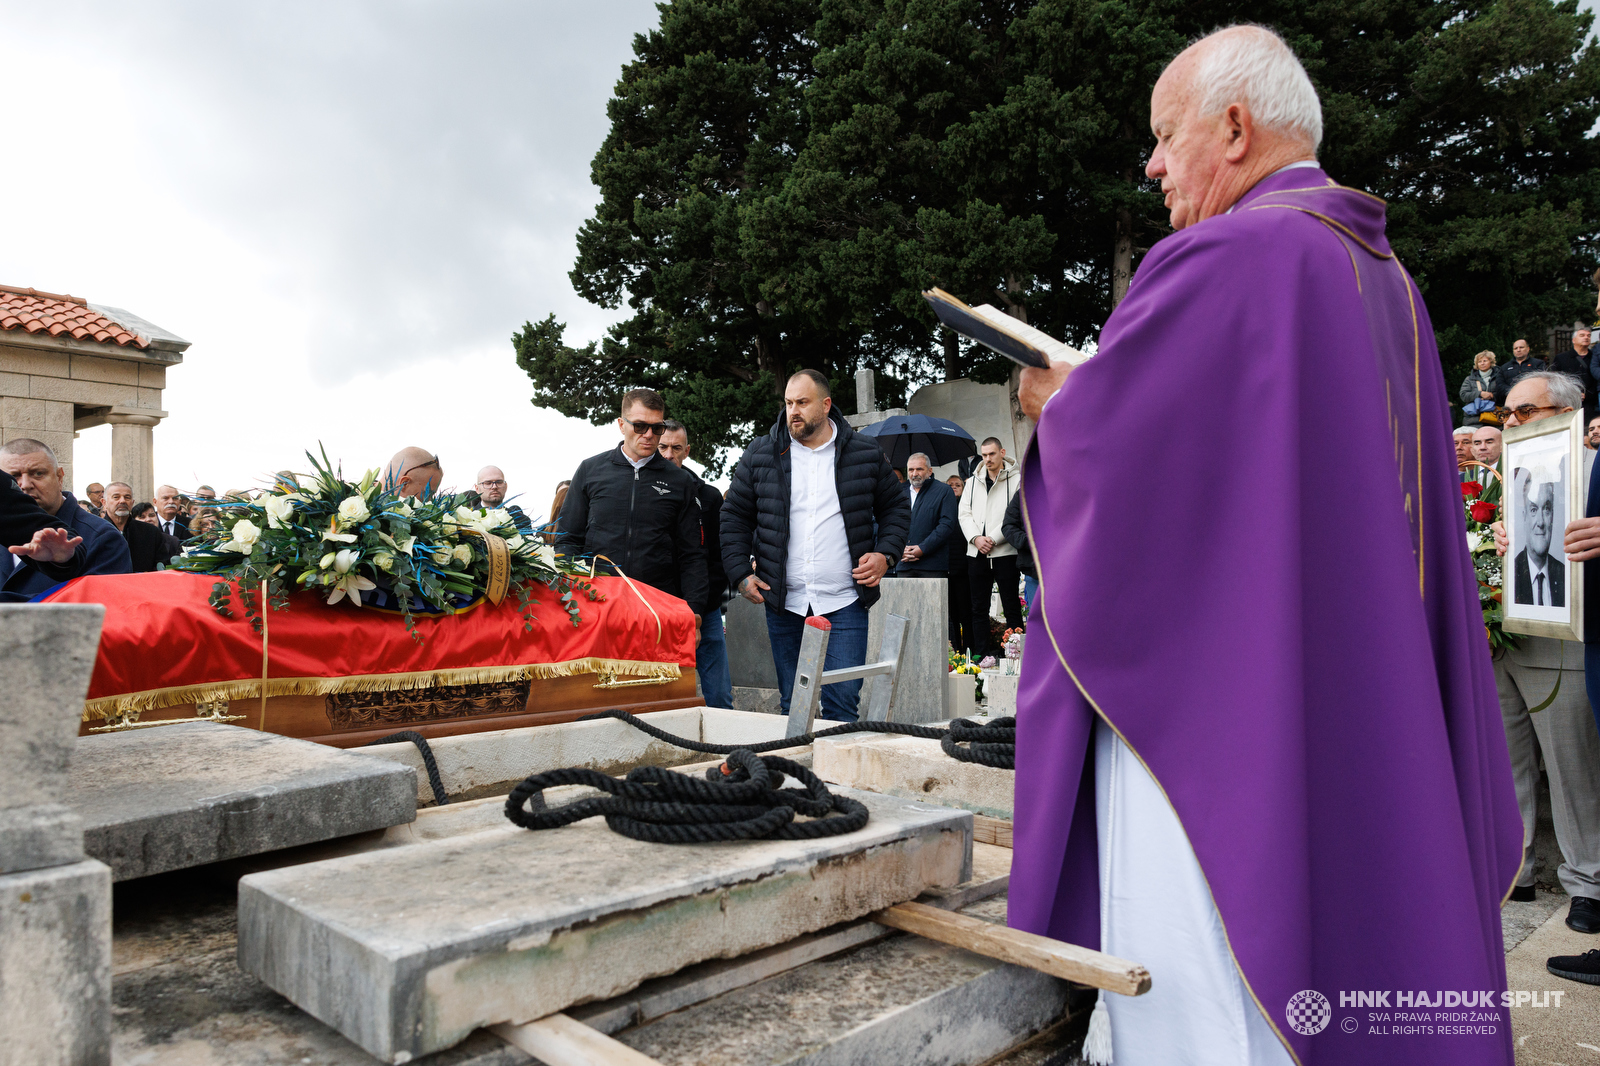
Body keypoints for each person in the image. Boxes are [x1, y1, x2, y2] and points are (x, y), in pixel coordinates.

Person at [1012, 26, 1519, 1065]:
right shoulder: (1385, 275)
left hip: (1226, 718)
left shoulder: (1230, 255)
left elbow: (1126, 475)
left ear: (1234, 128)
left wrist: (1057, 406)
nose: (1151, 166)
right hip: (1360, 684)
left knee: (1211, 979)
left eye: (1165, 137)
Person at [1486, 373, 1600, 981]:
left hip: (1568, 640)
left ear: (1567, 410)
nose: (1510, 423)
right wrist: (1494, 542)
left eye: (1524, 412)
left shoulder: (1591, 466)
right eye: (1506, 413)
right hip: (1507, 638)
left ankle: (1588, 883)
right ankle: (1517, 869)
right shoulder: (1510, 471)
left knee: (1572, 769)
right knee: (1506, 765)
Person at [720, 370, 909, 723]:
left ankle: (836, 763)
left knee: (842, 705)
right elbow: (734, 515)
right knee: (794, 706)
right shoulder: (761, 452)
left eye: (802, 403)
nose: (793, 411)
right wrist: (740, 572)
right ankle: (800, 761)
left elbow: (896, 507)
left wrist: (886, 554)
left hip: (845, 600)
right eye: (789, 403)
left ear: (825, 405)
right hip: (784, 601)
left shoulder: (865, 452)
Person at [557, 389, 707, 630]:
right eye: (639, 426)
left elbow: (692, 554)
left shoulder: (680, 481)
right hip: (595, 604)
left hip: (658, 606)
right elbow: (567, 539)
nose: (648, 435)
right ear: (621, 425)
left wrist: (694, 610)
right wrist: (569, 597)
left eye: (657, 428)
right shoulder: (590, 470)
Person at [658, 420, 732, 708]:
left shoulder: (709, 497)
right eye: (663, 447)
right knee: (665, 695)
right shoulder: (641, 493)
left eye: (676, 448)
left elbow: (717, 555)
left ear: (687, 451)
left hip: (705, 608)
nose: (669, 455)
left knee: (719, 695)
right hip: (659, 607)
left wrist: (702, 603)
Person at [0, 440, 127, 600]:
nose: (25, 485)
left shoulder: (103, 537)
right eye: (13, 477)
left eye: (38, 474)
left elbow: (103, 605)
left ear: (59, 477)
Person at [958, 437, 1023, 658]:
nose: (987, 459)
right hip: (976, 553)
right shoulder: (972, 482)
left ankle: (1015, 656)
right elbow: (964, 514)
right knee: (978, 608)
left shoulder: (1017, 480)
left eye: (992, 454)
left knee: (1011, 605)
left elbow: (1014, 515)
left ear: (1002, 452)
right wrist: (976, 538)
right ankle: (982, 656)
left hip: (1005, 552)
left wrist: (993, 539)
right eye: (984, 455)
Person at [894, 453, 958, 581]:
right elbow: (891, 523)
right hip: (904, 563)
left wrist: (922, 548)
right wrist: (898, 549)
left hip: (933, 565)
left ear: (930, 471)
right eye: (911, 470)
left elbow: (947, 524)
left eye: (919, 469)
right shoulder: (898, 492)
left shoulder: (944, 491)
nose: (914, 473)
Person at [102, 482, 180, 572]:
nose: (122, 501)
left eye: (127, 497)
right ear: (104, 502)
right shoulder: (95, 531)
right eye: (116, 497)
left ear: (132, 502)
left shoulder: (151, 532)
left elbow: (161, 565)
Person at [945, 474, 971, 651]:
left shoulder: (966, 507)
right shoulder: (943, 505)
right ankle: (954, 650)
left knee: (965, 612)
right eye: (950, 485)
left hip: (963, 568)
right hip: (946, 567)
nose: (954, 487)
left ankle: (969, 649)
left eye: (957, 485)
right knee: (951, 614)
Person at [1000, 489, 1037, 611]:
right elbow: (1008, 526)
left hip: (1067, 568)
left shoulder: (1068, 488)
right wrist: (1030, 541)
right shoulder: (1024, 493)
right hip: (1033, 568)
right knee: (1037, 617)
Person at [1552, 326, 1596, 423]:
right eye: (1582, 335)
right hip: (1567, 403)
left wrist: (1587, 395)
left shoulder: (1595, 357)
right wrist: (1571, 394)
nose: (1586, 337)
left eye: (1588, 336)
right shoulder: (1561, 358)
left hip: (1591, 405)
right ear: (1574, 340)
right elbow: (1555, 380)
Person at [473, 466, 533, 533]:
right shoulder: (469, 519)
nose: (494, 487)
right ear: (477, 488)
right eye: (488, 483)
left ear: (506, 486)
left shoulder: (522, 520)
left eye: (499, 482)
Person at [1494, 338, 1546, 403]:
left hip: (1532, 400)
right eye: (1515, 348)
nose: (1518, 350)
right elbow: (1500, 384)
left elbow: (1541, 381)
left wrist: (1525, 392)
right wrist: (1512, 391)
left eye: (1521, 347)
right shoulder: (1504, 367)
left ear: (1528, 349)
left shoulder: (1538, 364)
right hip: (1511, 400)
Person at [1459, 350, 1499, 424]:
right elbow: (1463, 395)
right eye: (1479, 361)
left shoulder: (1499, 376)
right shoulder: (1469, 379)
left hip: (1495, 417)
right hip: (1474, 419)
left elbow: (1505, 393)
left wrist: (1492, 396)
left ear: (1491, 362)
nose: (1482, 363)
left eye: (1485, 361)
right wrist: (1480, 394)